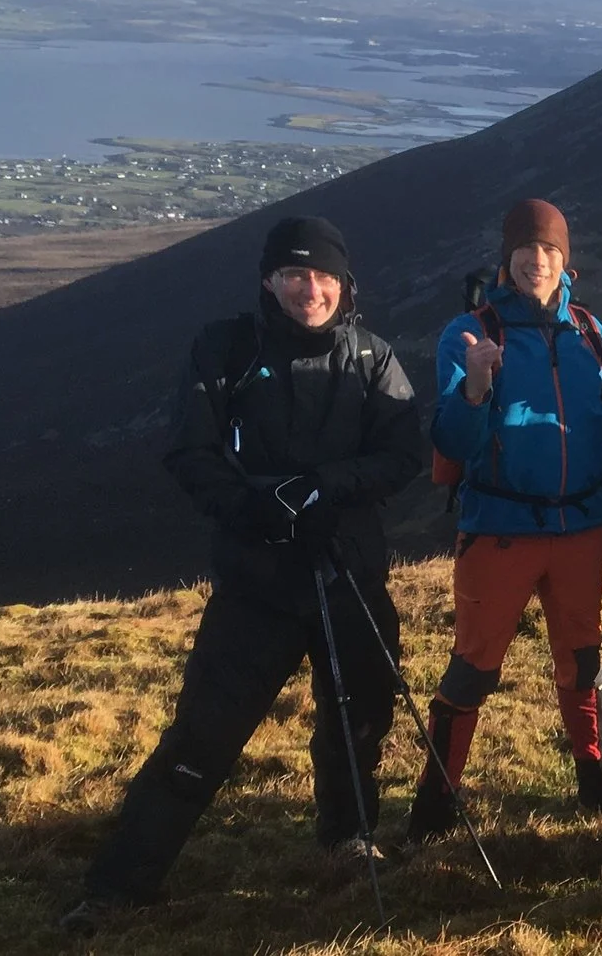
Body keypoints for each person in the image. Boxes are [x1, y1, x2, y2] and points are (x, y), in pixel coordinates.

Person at [61, 217, 426, 933]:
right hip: (258, 580)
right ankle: (119, 884)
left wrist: (326, 488)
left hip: (347, 572)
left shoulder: (373, 359)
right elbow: (189, 450)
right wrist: (256, 508)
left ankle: (346, 841)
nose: (309, 289)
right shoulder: (224, 350)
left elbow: (402, 454)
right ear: (269, 281)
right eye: (294, 275)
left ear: (345, 284)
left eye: (323, 276)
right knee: (204, 733)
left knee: (358, 722)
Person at [410, 199, 602, 841]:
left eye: (550, 251)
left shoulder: (590, 331)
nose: (538, 261)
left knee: (583, 656)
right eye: (527, 251)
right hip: (501, 529)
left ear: (565, 261)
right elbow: (452, 440)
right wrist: (476, 386)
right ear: (506, 260)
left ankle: (598, 776)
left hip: (581, 529)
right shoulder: (471, 333)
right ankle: (436, 796)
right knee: (475, 665)